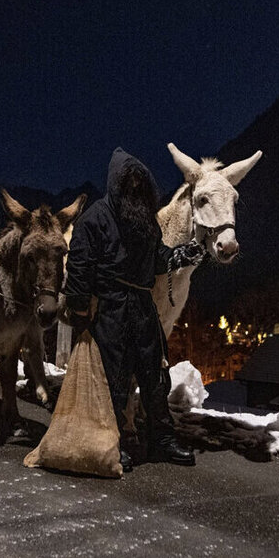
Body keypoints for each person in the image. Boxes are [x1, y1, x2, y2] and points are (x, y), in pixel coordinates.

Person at [63, 148, 201, 472]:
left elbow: (156, 261)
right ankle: (114, 441)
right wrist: (80, 307)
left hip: (142, 307)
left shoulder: (145, 222)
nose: (137, 190)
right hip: (111, 308)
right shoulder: (95, 218)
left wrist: (180, 256)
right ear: (117, 184)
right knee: (115, 379)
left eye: (141, 185)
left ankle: (161, 441)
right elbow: (79, 265)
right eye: (131, 185)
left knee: (155, 377)